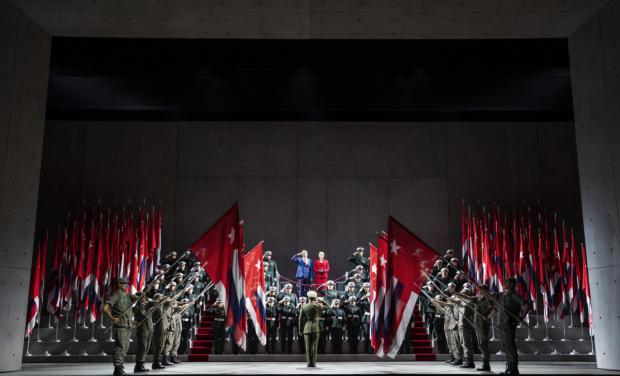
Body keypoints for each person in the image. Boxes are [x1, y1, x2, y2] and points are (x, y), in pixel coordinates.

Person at [102, 277, 137, 376]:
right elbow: (105, 308)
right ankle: (117, 368)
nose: (126, 285)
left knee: (125, 348)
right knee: (120, 347)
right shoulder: (116, 295)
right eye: (124, 283)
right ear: (119, 284)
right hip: (120, 327)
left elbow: (138, 301)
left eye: (127, 283)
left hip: (127, 326)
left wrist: (132, 321)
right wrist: (113, 318)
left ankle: (120, 367)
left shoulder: (127, 295)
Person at [496, 278, 530, 376]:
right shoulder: (502, 295)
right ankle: (509, 367)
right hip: (501, 324)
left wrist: (520, 317)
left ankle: (514, 369)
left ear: (511, 285)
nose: (504, 284)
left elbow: (526, 305)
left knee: (510, 347)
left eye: (506, 283)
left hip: (509, 324)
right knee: (505, 346)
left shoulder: (515, 295)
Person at [299, 291, 329, 367]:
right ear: (315, 298)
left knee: (308, 347)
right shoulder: (318, 306)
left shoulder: (304, 307)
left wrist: (300, 330)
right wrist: (322, 300)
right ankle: (314, 363)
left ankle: (309, 363)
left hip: (307, 328)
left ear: (308, 298)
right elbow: (328, 307)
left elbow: (301, 320)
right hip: (316, 328)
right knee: (314, 346)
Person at [474, 284, 494, 372]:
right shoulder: (478, 299)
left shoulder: (488, 299)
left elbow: (494, 309)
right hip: (477, 324)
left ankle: (486, 364)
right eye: (479, 290)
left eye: (481, 290)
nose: (479, 291)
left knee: (483, 343)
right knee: (480, 344)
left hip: (484, 324)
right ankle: (485, 363)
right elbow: (467, 297)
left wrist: (488, 317)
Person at [132, 292, 153, 373]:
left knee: (147, 347)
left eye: (144, 296)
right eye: (142, 297)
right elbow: (129, 316)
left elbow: (153, 303)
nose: (144, 298)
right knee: (142, 347)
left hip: (149, 328)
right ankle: (138, 365)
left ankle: (142, 364)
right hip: (142, 329)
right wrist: (134, 322)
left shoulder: (146, 305)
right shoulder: (137, 307)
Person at [151, 293, 169, 370]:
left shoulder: (162, 306)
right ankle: (156, 363)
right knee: (158, 345)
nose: (162, 298)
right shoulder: (154, 306)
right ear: (157, 298)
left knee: (161, 345)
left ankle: (157, 362)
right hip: (158, 329)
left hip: (163, 328)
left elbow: (169, 301)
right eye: (161, 297)